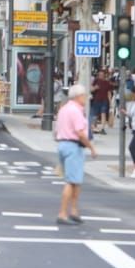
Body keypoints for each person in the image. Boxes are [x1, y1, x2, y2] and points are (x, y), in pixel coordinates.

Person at [55, 84, 97, 225]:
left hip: (62, 144)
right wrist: (91, 147)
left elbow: (56, 131)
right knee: (71, 181)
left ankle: (74, 211)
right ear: (79, 96)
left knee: (75, 180)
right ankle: (62, 213)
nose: (85, 98)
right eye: (84, 95)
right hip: (73, 146)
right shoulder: (76, 111)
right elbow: (80, 132)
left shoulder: (64, 109)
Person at [91, 69, 114, 133]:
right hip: (96, 99)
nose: (101, 76)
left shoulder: (107, 83)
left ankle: (102, 128)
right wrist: (95, 88)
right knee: (95, 114)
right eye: (100, 75)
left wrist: (110, 102)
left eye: (102, 75)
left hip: (104, 100)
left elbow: (109, 93)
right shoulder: (96, 81)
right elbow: (91, 89)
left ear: (105, 75)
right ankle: (93, 127)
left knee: (103, 113)